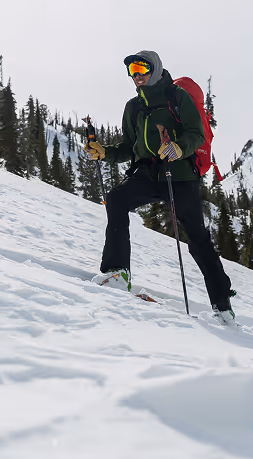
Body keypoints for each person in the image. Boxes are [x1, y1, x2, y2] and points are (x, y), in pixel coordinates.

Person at [84, 50, 234, 318]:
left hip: (181, 176)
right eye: (132, 71)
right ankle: (116, 273)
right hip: (148, 173)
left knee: (197, 238)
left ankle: (222, 305)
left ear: (155, 69)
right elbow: (130, 148)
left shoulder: (177, 97)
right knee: (117, 199)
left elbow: (196, 134)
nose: (137, 75)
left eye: (142, 68)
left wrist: (179, 147)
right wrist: (104, 152)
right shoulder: (134, 107)